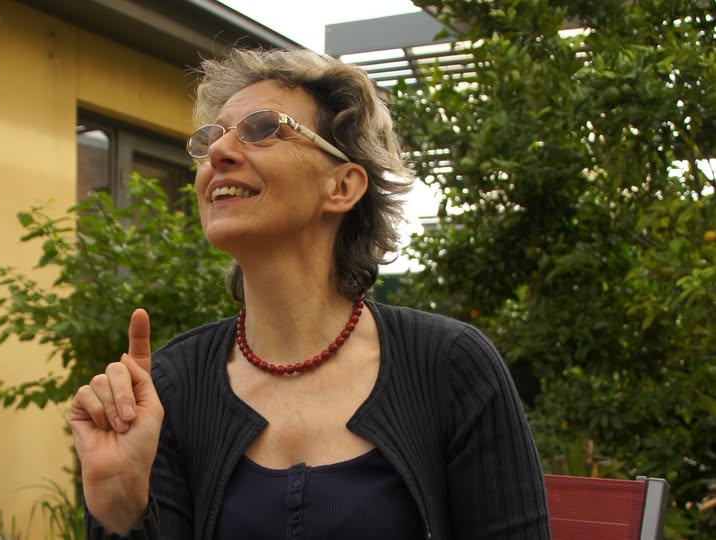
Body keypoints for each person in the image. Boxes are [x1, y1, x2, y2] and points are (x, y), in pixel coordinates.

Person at [68, 47, 551, 540]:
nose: (218, 153)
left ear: (342, 186)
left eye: (262, 129)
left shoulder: (450, 367)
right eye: (212, 137)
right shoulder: (170, 387)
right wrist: (120, 506)